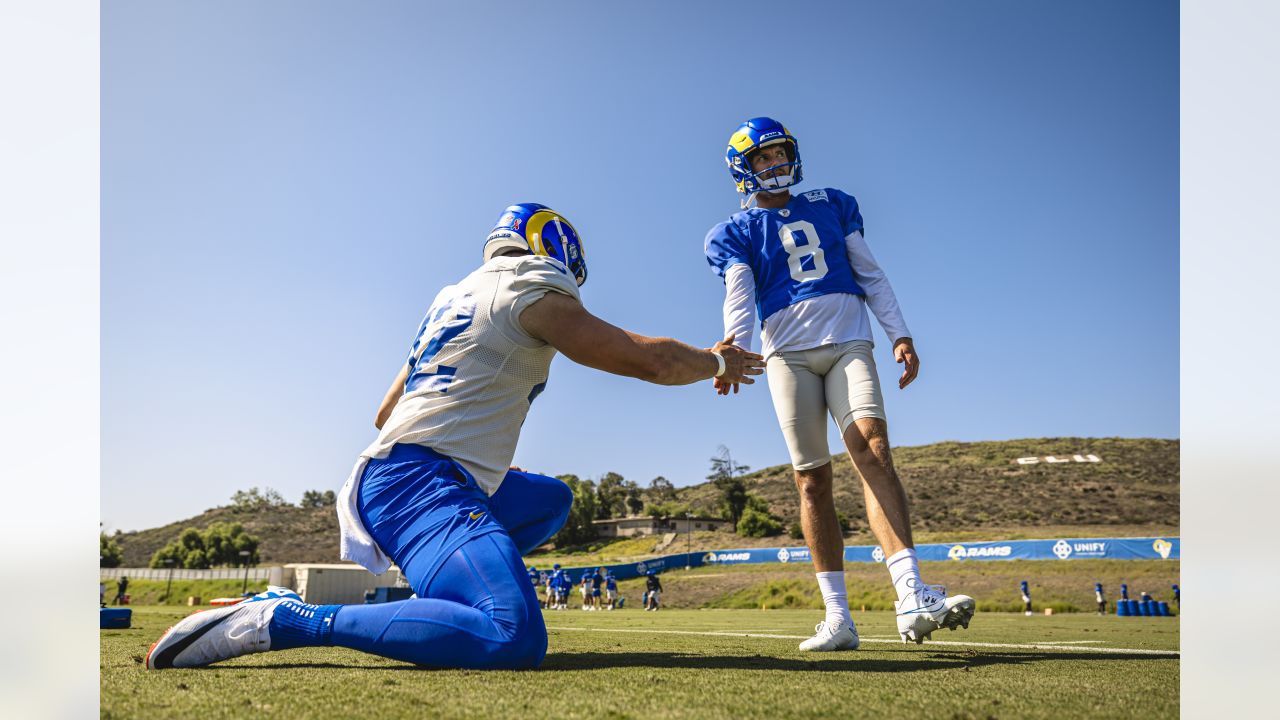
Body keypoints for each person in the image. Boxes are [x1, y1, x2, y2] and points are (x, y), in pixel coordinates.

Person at [147, 202, 763, 670]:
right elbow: (644, 360)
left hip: (400, 470)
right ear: (549, 243)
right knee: (511, 634)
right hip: (417, 479)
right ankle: (290, 619)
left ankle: (437, 594)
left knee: (551, 501)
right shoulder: (528, 283)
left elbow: (385, 410)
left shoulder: (455, 296)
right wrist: (717, 361)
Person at [703, 117, 974, 649]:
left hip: (849, 340)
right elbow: (738, 292)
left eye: (780, 152)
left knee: (872, 449)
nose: (775, 163)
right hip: (787, 355)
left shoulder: (832, 203)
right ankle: (838, 618)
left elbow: (869, 273)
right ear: (743, 169)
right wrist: (732, 345)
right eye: (762, 157)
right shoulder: (733, 231)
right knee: (812, 481)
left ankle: (910, 594)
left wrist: (899, 333)